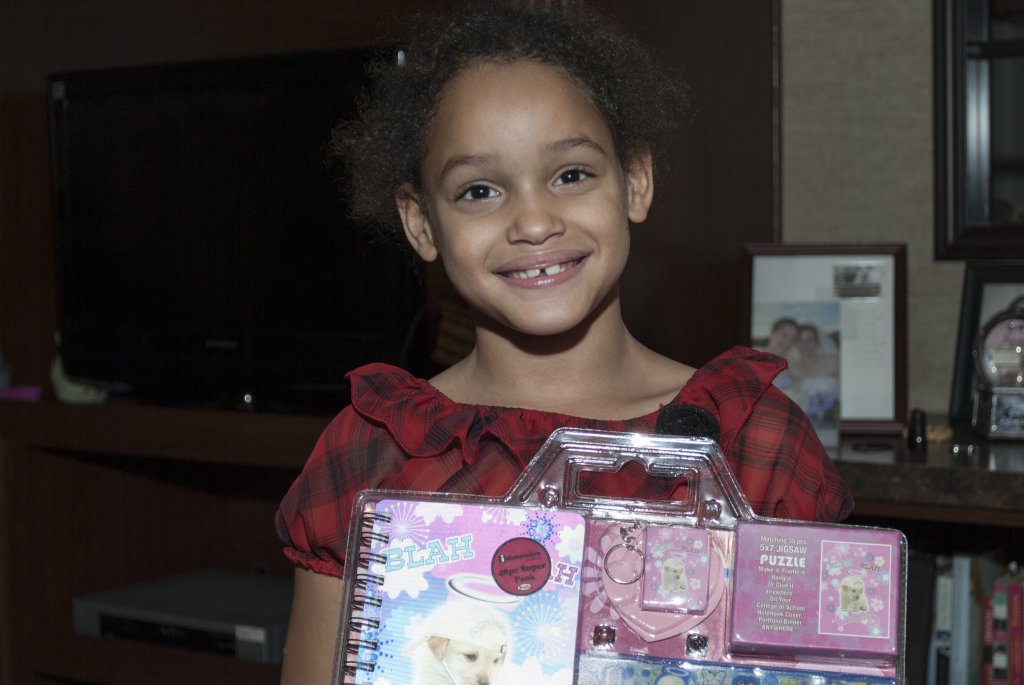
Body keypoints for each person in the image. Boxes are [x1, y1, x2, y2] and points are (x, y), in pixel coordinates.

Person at [275, 3, 854, 681]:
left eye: (571, 175)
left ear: (634, 181)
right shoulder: (372, 450)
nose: (533, 221)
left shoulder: (758, 441)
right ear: (421, 223)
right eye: (479, 190)